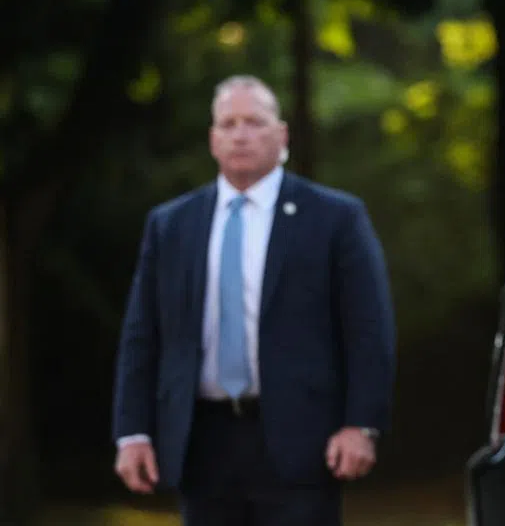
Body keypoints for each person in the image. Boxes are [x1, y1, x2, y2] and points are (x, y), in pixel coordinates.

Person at [111, 74, 396, 526]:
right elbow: (141, 335)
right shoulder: (171, 225)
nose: (240, 134)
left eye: (254, 122)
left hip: (302, 441)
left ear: (281, 135)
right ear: (212, 138)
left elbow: (368, 329)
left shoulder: (334, 217)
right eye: (228, 123)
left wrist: (361, 424)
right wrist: (132, 432)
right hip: (199, 440)